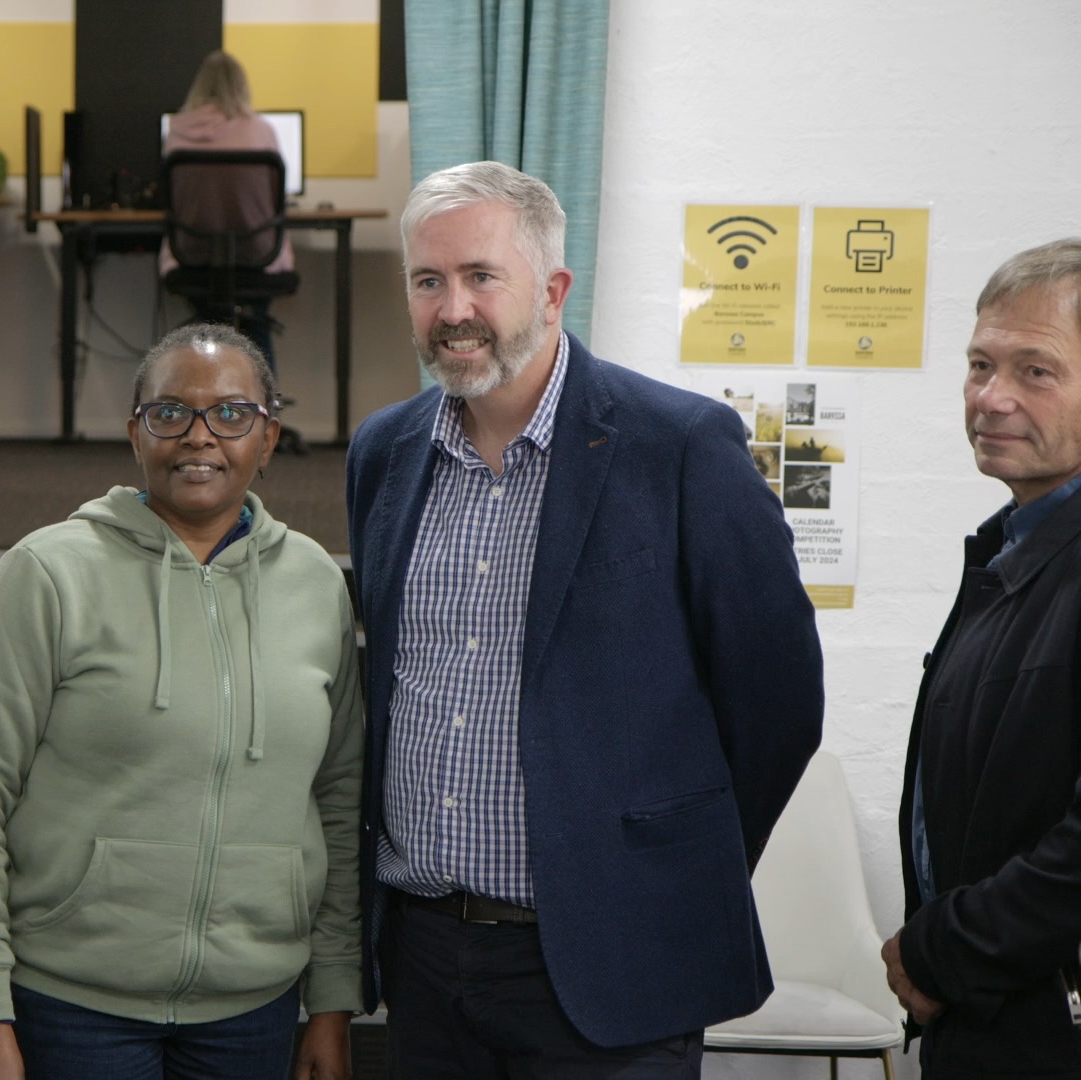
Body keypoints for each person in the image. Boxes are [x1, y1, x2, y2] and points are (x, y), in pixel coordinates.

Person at [345, 160, 824, 1077]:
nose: (453, 309)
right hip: (425, 958)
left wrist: (662, 866)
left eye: (483, 276)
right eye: (427, 280)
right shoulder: (383, 452)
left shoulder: (680, 446)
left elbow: (778, 701)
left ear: (553, 289)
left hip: (614, 961)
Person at [0, 323, 362, 1080]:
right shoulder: (48, 574)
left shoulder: (316, 587)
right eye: (170, 413)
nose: (199, 437)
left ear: (269, 437)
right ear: (136, 433)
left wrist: (332, 996)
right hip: (69, 1008)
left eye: (232, 415)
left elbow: (337, 799)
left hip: (252, 1010)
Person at [886, 238, 1081, 1076]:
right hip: (990, 1024)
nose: (991, 398)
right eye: (979, 365)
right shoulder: (1012, 551)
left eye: (1036, 370)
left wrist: (945, 953)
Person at [160, 49, 295, 370]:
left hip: (192, 257)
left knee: (208, 321)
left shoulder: (176, 133)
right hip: (256, 255)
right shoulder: (261, 130)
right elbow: (275, 201)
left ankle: (208, 410)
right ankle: (262, 415)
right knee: (255, 322)